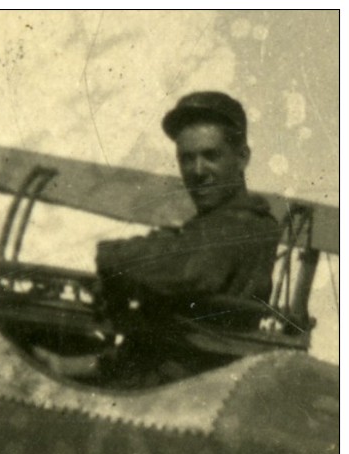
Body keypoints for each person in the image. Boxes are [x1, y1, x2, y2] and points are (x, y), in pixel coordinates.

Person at [96, 91, 280, 332]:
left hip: (195, 362)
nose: (198, 170)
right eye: (186, 159)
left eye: (211, 156)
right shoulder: (219, 222)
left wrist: (107, 256)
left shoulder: (242, 224)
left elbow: (188, 270)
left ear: (242, 158)